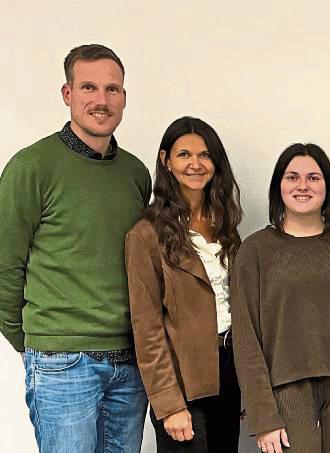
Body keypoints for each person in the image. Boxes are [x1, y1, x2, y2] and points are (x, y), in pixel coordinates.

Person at [0, 43, 151, 452]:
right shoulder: (31, 167)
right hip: (62, 362)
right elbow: (4, 267)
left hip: (130, 362)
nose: (101, 100)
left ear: (124, 97)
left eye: (112, 89)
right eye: (89, 87)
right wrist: (37, 341)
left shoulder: (136, 173)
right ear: (67, 94)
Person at [231, 144, 330, 453]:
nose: (302, 186)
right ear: (278, 186)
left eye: (313, 177)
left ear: (327, 186)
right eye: (292, 177)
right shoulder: (255, 251)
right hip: (285, 391)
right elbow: (245, 339)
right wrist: (262, 415)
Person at [126, 116, 243, 452]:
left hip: (229, 371)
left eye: (205, 155)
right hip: (184, 382)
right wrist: (169, 404)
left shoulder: (226, 225)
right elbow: (146, 327)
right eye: (184, 155)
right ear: (166, 160)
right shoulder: (145, 234)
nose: (196, 164)